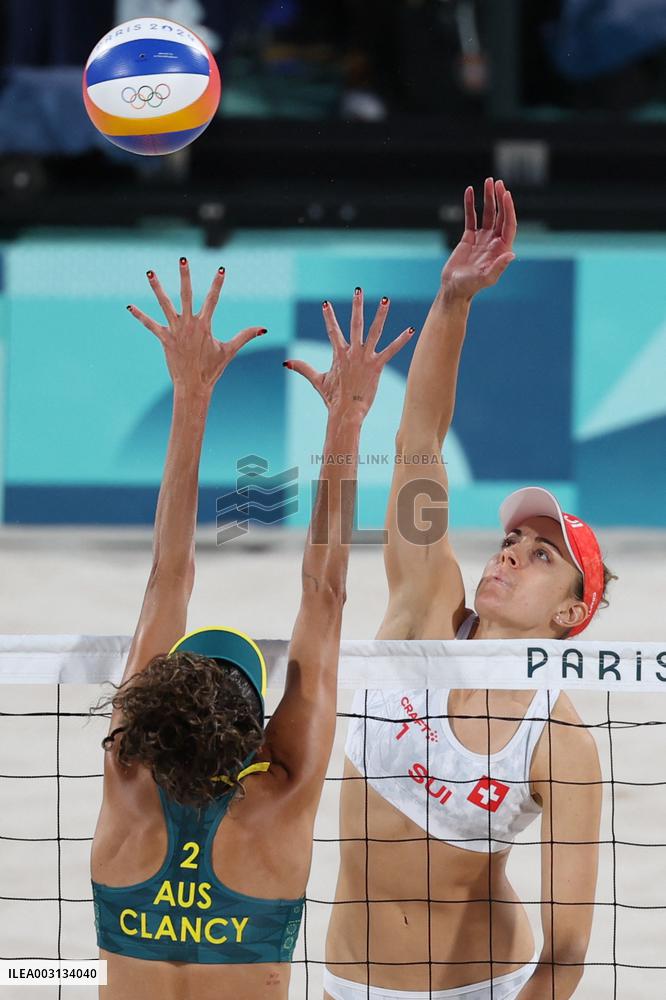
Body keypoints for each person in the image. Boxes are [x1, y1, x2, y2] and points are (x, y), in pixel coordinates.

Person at [90, 260, 415, 1000]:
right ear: (255, 738)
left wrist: (191, 394)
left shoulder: (127, 784)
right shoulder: (280, 798)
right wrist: (345, 422)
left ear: (144, 720)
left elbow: (166, 579)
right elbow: (323, 595)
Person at [325, 181, 611, 1000]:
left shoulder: (561, 745)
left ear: (572, 614)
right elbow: (418, 444)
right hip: (346, 983)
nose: (513, 555)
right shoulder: (421, 610)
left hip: (480, 988)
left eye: (543, 556)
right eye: (514, 540)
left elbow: (567, 956)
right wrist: (453, 303)